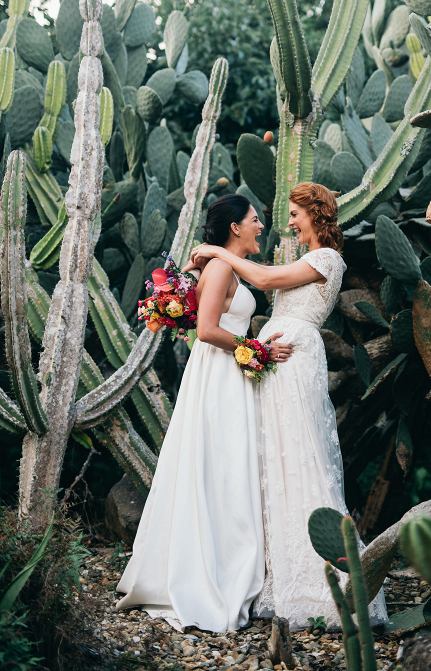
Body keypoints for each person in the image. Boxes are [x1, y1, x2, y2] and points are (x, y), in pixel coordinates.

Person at [189, 183, 387, 630]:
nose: (288, 222)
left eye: (295, 213)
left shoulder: (326, 259)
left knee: (300, 457)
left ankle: (322, 583)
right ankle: (277, 574)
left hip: (292, 355)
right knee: (275, 461)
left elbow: (261, 279)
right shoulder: (306, 258)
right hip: (276, 354)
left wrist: (214, 252)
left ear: (316, 214)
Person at [115, 194, 293, 632]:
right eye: (254, 219)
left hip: (227, 375)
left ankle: (226, 564)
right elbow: (208, 329)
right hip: (218, 375)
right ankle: (209, 578)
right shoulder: (220, 268)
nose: (260, 226)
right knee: (220, 466)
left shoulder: (225, 267)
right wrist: (258, 349)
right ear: (235, 227)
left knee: (226, 468)